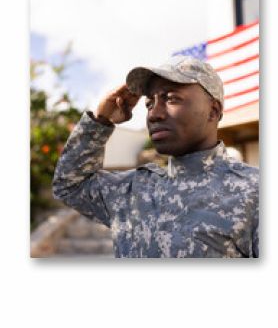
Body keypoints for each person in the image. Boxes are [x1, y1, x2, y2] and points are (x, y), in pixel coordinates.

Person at [53, 56, 259, 258]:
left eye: (171, 98)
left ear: (213, 111)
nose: (153, 114)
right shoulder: (132, 190)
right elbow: (69, 185)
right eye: (149, 103)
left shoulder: (254, 191)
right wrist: (101, 121)